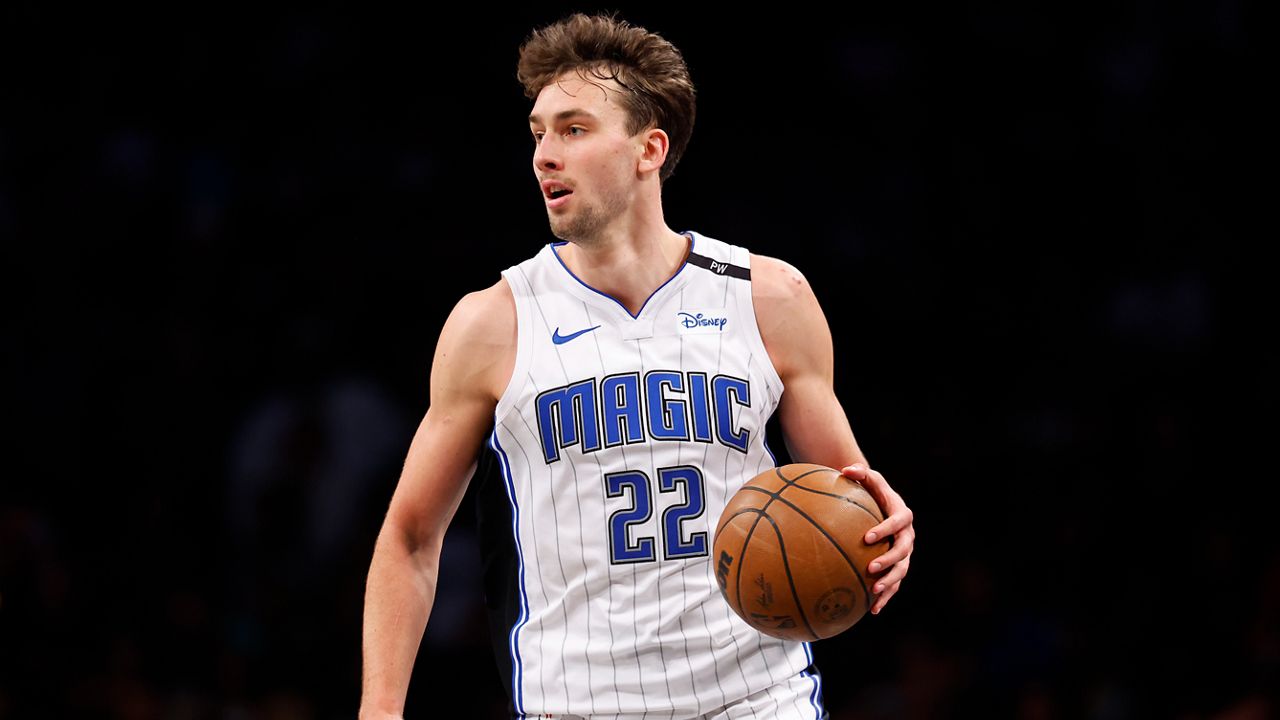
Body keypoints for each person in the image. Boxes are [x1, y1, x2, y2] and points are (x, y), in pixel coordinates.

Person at [360, 12, 915, 720]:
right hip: (580, 701)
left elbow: (850, 499)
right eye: (538, 133)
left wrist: (885, 527)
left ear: (649, 148)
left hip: (756, 697)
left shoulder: (770, 297)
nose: (543, 155)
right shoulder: (493, 322)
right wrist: (379, 709)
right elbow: (410, 537)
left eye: (574, 129)